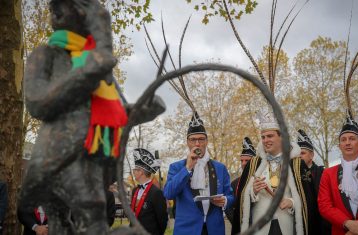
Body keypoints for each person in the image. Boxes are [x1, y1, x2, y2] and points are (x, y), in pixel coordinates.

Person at [19, 0, 165, 234]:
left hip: (98, 161)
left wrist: (143, 110)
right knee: (90, 210)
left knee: (80, 219)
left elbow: (116, 114)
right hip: (61, 158)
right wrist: (87, 71)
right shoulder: (48, 55)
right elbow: (37, 103)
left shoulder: (99, 66)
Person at [232, 110, 304, 235]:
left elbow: (308, 198)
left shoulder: (297, 164)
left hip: (286, 226)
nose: (265, 140)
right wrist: (253, 191)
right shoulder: (253, 164)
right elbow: (241, 200)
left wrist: (291, 202)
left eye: (270, 136)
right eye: (263, 137)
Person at [164, 111, 234, 235]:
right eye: (193, 140)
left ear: (206, 142)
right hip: (187, 230)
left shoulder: (220, 168)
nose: (197, 143)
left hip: (214, 229)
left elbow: (230, 195)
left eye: (201, 139)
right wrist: (188, 168)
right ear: (187, 142)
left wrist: (225, 200)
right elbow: (169, 193)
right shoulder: (176, 167)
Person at [290, 129, 330, 235]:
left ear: (311, 155)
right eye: (297, 153)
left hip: (320, 225)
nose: (299, 156)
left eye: (302, 153)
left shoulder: (323, 173)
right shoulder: (291, 175)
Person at [130, 148, 167, 235]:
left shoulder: (156, 193)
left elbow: (162, 219)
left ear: (141, 172)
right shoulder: (135, 190)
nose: (133, 172)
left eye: (135, 169)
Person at [225, 137, 256, 224]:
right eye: (241, 160)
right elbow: (228, 207)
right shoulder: (234, 183)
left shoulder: (263, 180)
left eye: (247, 160)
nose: (243, 163)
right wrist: (237, 223)